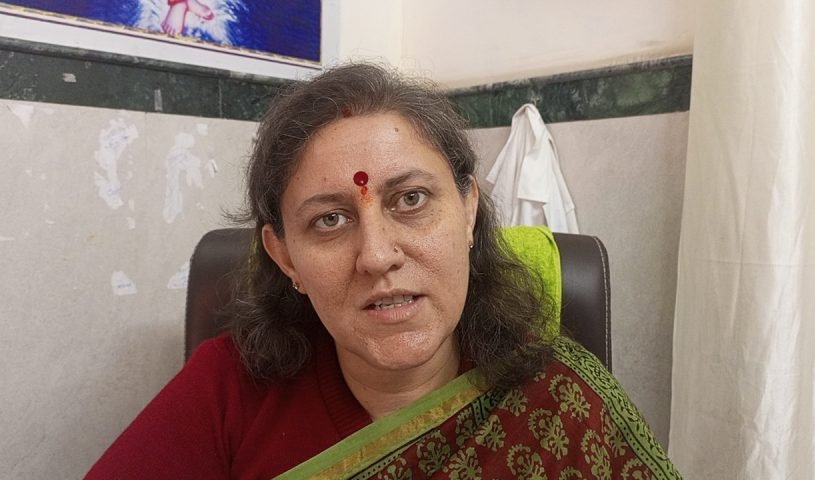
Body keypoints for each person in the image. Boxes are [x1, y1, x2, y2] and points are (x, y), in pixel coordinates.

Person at [86, 63, 681, 479]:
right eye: (329, 220)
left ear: (468, 211)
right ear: (285, 256)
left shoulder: (559, 403)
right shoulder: (227, 389)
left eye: (411, 200)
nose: (376, 255)